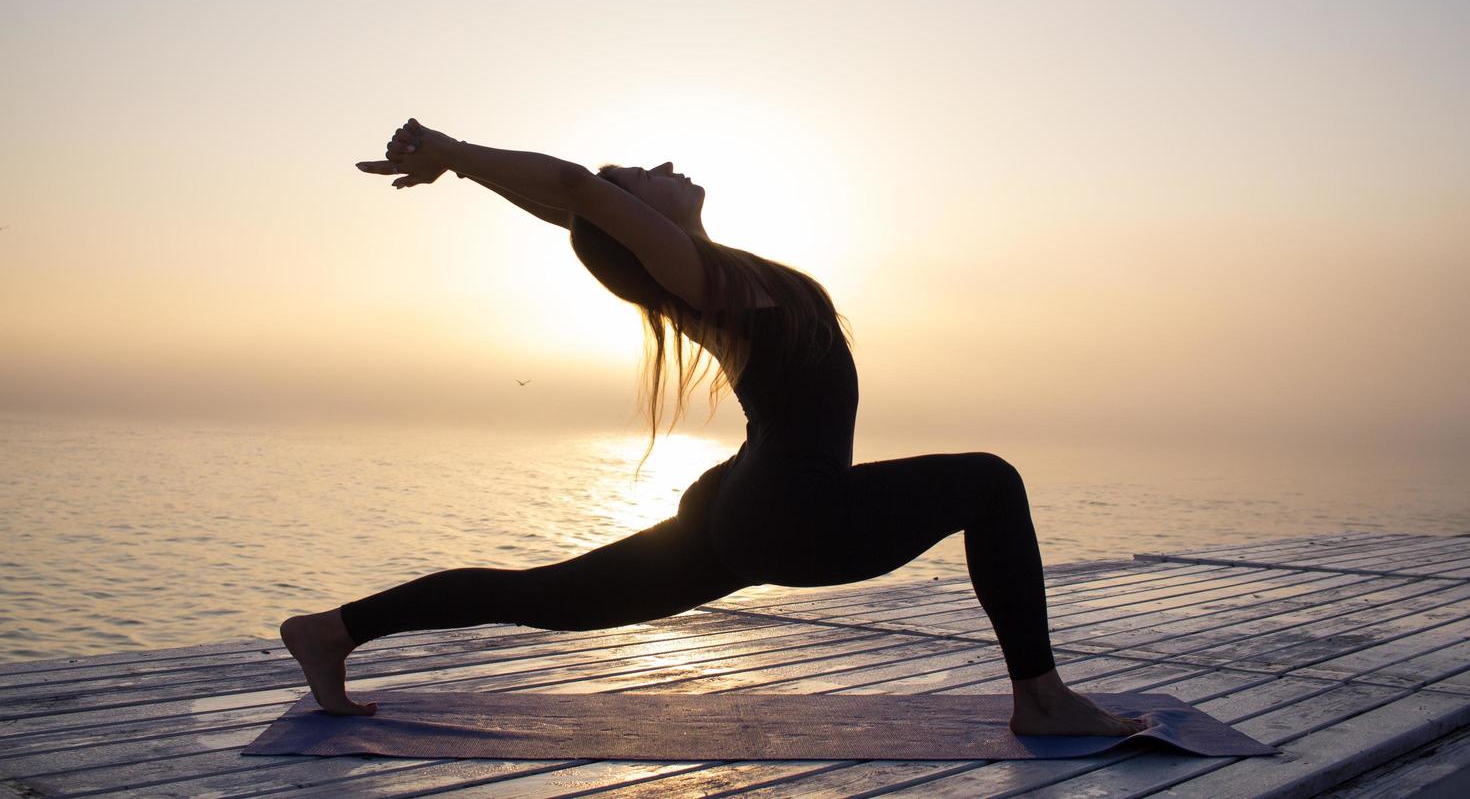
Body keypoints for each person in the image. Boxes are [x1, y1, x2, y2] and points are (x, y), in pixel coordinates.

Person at [279, 118, 1146, 737]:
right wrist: (456, 155)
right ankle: (1039, 697)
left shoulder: (718, 274)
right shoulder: (700, 281)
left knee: (551, 598)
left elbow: (578, 207)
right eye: (643, 174)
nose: (664, 163)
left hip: (747, 503)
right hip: (790, 510)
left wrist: (482, 172)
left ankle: (334, 629)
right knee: (990, 482)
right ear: (639, 223)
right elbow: (579, 193)